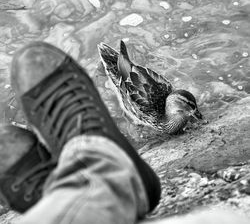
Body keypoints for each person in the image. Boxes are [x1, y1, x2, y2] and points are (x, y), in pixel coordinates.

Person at [0, 42, 248, 224]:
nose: (193, 113)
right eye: (188, 108)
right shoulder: (164, 105)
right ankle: (102, 167)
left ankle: (55, 196)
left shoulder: (174, 112)